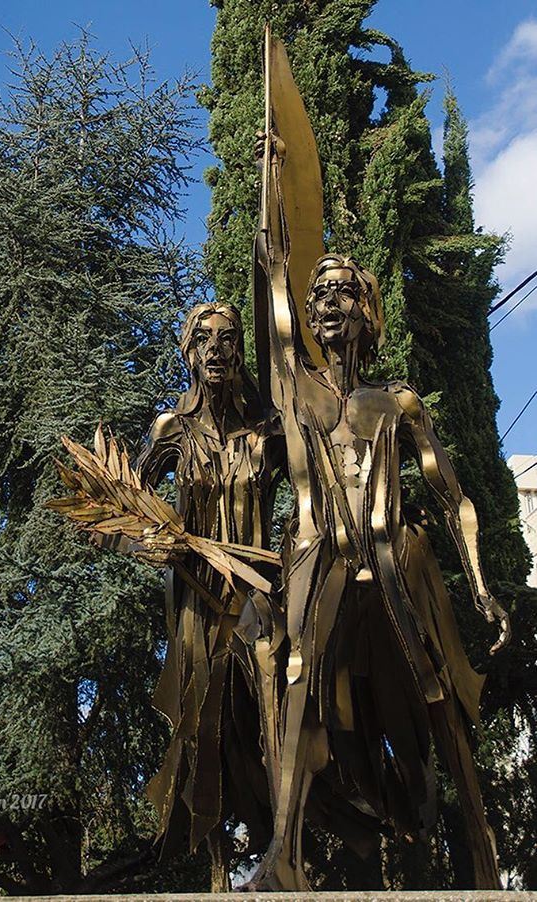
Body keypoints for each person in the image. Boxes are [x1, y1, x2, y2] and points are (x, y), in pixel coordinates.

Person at [250, 130, 511, 891]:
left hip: (395, 561)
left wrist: (484, 587)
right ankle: (282, 855)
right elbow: (271, 279)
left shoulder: (395, 402)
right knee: (296, 668)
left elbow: (455, 496)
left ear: (367, 313)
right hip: (321, 560)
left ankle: (481, 851)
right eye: (318, 293)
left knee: (434, 698)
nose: (325, 302)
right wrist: (272, 180)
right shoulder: (296, 393)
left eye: (341, 293)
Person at [130, 301, 285, 891]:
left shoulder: (265, 434)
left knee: (270, 722)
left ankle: (285, 849)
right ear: (188, 351)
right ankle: (218, 871)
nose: (216, 348)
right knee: (205, 731)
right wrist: (154, 543)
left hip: (255, 599)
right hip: (197, 600)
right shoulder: (171, 431)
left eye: (227, 339)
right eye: (204, 338)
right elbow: (123, 513)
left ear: (239, 350)